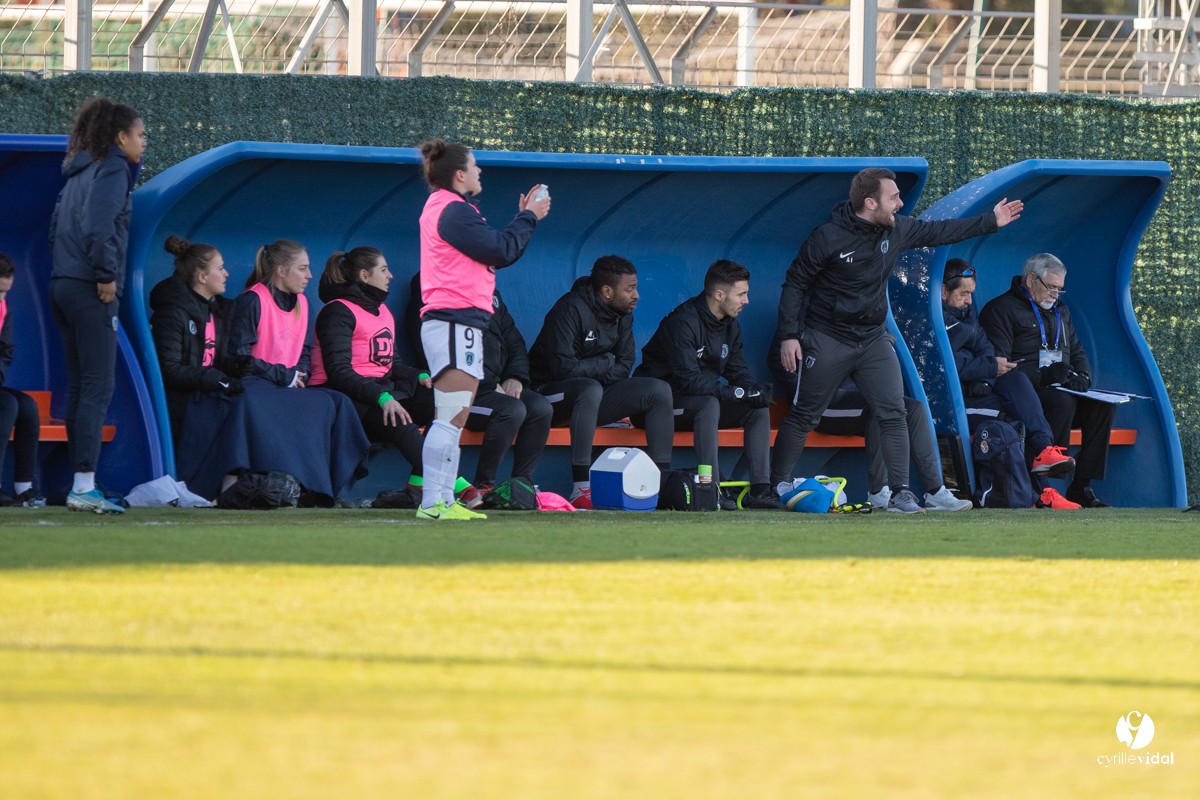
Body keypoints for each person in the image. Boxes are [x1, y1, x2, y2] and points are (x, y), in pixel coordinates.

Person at [770, 167, 1024, 514]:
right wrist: (788, 336)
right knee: (804, 415)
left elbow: (941, 231)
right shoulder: (827, 237)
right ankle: (777, 485)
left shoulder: (897, 229)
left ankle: (901, 493)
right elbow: (795, 284)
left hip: (872, 338)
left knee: (894, 412)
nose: (901, 204)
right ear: (870, 202)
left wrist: (990, 221)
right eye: (893, 198)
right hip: (828, 337)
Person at [416, 138, 549, 520]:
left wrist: (523, 217)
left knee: (454, 417)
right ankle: (433, 503)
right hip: (453, 321)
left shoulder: (449, 208)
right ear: (460, 175)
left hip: (459, 323)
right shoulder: (452, 209)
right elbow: (501, 250)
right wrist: (529, 217)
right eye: (474, 166)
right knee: (450, 416)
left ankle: (443, 501)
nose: (480, 171)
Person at [48, 97, 145, 513]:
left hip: (64, 284)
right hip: (91, 289)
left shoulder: (77, 172)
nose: (143, 142)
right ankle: (83, 487)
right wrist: (105, 275)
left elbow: (55, 228)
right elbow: (99, 226)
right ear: (120, 137)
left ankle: (81, 482)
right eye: (140, 134)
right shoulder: (113, 168)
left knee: (81, 388)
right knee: (97, 387)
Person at [218, 239, 371, 502]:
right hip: (256, 382)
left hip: (287, 385)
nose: (309, 275)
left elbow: (304, 350)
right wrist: (285, 376)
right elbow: (239, 357)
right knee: (254, 400)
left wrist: (299, 374)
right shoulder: (252, 299)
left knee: (337, 402)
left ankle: (322, 488)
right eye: (302, 268)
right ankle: (265, 481)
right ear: (280, 270)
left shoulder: (302, 302)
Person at [529, 255, 675, 509]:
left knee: (658, 390)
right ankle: (581, 487)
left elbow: (625, 364)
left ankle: (659, 484)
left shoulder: (624, 313)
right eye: (629, 289)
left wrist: (599, 369)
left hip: (593, 398)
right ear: (607, 291)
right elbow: (564, 369)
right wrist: (606, 361)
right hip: (549, 398)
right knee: (589, 388)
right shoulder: (570, 308)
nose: (636, 295)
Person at [635, 259, 780, 509]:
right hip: (659, 409)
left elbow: (738, 371)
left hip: (699, 402)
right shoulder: (682, 322)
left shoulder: (730, 326)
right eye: (741, 294)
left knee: (756, 408)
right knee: (709, 404)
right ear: (719, 294)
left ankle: (760, 490)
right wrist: (733, 393)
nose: (746, 301)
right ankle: (710, 488)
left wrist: (752, 391)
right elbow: (688, 380)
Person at [978, 253, 1115, 508]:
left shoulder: (1060, 311)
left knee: (1102, 408)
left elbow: (1077, 349)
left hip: (1058, 388)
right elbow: (1002, 368)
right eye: (1051, 287)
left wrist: (1083, 376)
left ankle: (1082, 486)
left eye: (1059, 289)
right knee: (1062, 402)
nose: (1055, 294)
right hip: (1024, 395)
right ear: (1031, 279)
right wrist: (1046, 375)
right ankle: (1047, 488)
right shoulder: (1001, 309)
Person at [941, 258, 1079, 509]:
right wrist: (988, 370)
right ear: (943, 292)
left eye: (971, 293)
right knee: (1015, 418)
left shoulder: (968, 315)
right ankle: (1039, 491)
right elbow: (948, 365)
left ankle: (1044, 452)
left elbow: (987, 350)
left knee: (1015, 378)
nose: (970, 300)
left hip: (979, 392)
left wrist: (985, 377)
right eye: (963, 294)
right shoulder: (932, 320)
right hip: (952, 403)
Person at [406, 273, 553, 496]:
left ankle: (522, 485)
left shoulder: (490, 293)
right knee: (511, 409)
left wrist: (514, 376)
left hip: (493, 386)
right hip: (458, 391)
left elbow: (513, 339)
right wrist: (488, 381)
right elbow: (437, 350)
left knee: (540, 408)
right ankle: (485, 485)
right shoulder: (433, 289)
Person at [310, 247, 436, 505]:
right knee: (401, 420)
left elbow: (391, 364)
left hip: (378, 391)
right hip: (342, 396)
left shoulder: (383, 311)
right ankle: (459, 487)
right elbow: (338, 371)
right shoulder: (337, 311)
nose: (390, 276)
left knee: (438, 404)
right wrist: (382, 397)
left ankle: (417, 488)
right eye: (384, 269)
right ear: (364, 275)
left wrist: (420, 375)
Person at [771, 365, 974, 512]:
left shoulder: (869, 332)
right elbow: (782, 359)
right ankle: (878, 492)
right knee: (880, 409)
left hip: (861, 398)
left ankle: (935, 491)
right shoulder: (812, 327)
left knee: (915, 409)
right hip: (822, 403)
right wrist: (809, 393)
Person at [0, 252, 42, 507]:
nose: (1, 297)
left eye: (5, 292)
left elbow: (6, 351)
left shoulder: (4, 308)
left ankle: (23, 487)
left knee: (27, 405)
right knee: (7, 405)